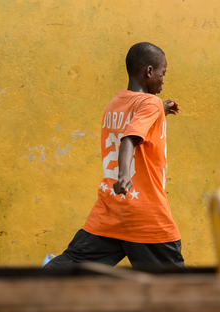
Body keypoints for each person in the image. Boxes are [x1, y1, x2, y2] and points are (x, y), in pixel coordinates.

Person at [45, 42, 184, 270]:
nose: (162, 79)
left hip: (111, 211)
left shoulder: (115, 104)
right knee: (178, 286)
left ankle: (29, 287)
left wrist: (162, 112)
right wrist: (124, 174)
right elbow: (129, 137)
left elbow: (134, 127)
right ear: (149, 71)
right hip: (144, 213)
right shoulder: (151, 103)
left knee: (71, 267)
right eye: (162, 73)